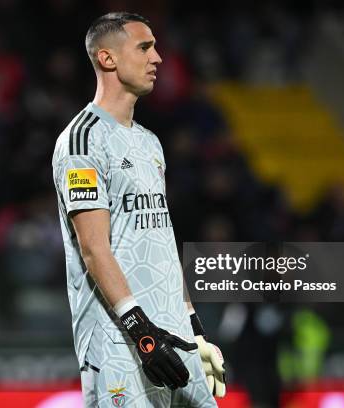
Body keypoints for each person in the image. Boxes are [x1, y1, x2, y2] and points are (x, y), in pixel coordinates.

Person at [52, 12, 225, 407]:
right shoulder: (82, 141)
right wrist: (142, 335)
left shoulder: (149, 143)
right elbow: (94, 248)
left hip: (173, 338)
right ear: (107, 58)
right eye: (145, 47)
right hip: (122, 344)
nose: (158, 58)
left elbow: (159, 239)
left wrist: (193, 328)